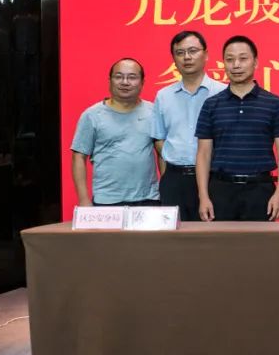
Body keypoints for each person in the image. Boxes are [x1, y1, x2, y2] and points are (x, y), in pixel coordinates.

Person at [195, 36, 279, 222]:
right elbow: (203, 154)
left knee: (260, 241)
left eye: (243, 58)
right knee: (218, 241)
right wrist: (203, 196)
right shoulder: (211, 104)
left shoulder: (274, 103)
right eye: (230, 59)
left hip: (261, 190)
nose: (236, 65)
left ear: (255, 62)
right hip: (220, 190)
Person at [150, 31, 227, 221]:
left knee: (213, 234)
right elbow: (159, 138)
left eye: (192, 51)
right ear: (174, 59)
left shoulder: (223, 93)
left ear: (206, 55)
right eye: (180, 52)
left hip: (214, 178)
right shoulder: (164, 96)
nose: (187, 57)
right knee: (174, 235)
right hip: (175, 180)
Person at [70, 58, 160, 207]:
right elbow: (78, 157)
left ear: (142, 82)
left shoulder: (153, 112)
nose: (125, 82)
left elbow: (162, 154)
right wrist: (83, 199)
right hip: (107, 200)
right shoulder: (92, 115)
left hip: (148, 198)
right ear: (109, 80)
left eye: (132, 77)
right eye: (119, 77)